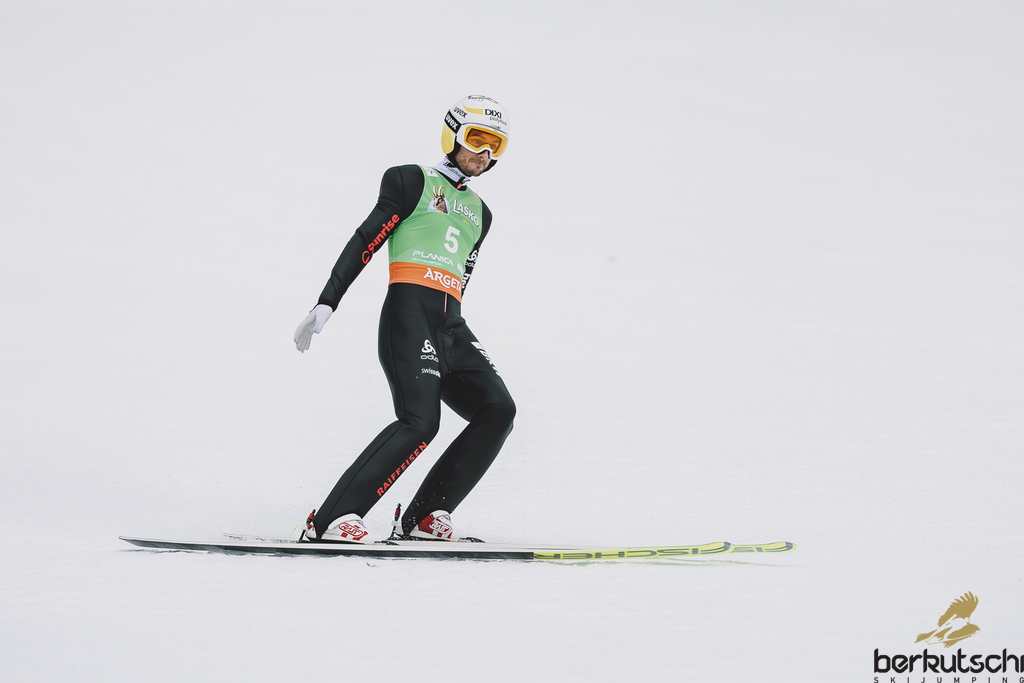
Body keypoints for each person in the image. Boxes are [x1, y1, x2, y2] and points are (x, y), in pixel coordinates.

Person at [292, 95, 516, 544]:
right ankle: (331, 519)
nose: (484, 153)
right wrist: (327, 301)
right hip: (409, 314)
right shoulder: (411, 180)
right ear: (452, 134)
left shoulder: (482, 213)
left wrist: (451, 333)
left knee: (498, 409)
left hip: (451, 326)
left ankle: (425, 516)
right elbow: (366, 239)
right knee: (420, 421)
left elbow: (462, 276)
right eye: (477, 139)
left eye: (496, 146)